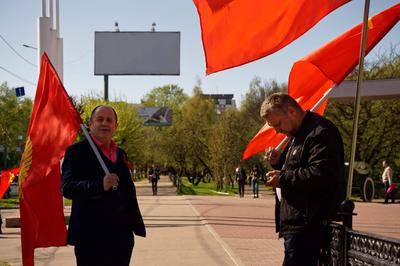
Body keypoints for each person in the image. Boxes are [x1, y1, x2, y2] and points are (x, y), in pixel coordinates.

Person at [262, 93, 345, 266]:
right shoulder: (298, 135)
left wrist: (282, 178)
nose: (277, 131)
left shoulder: (320, 132)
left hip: (308, 223)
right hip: (297, 222)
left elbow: (321, 174)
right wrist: (279, 163)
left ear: (291, 111)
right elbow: (297, 170)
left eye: (277, 124)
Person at [61, 105, 146, 266]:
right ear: (90, 124)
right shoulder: (76, 152)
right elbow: (67, 187)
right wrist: (100, 184)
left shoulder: (120, 154)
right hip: (90, 238)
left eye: (109, 120)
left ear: (115, 126)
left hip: (122, 238)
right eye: (99, 120)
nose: (104, 124)